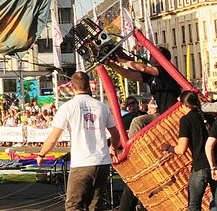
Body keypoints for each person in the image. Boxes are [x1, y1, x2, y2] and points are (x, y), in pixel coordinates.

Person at [36, 71, 121, 211]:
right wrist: (113, 148)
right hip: (102, 163)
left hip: (82, 163)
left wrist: (42, 154)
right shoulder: (102, 106)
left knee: (74, 205)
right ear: (89, 86)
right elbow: (115, 134)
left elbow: (53, 138)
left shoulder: (67, 107)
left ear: (72, 87)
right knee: (95, 206)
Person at [174, 91, 217, 211]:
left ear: (183, 104)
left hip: (200, 165)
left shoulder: (186, 120)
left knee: (194, 205)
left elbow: (181, 149)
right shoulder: (210, 117)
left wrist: (169, 148)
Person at [114, 46, 181, 114]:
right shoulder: (151, 75)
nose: (150, 55)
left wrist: (121, 60)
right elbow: (127, 74)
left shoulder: (165, 70)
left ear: (160, 58)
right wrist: (112, 64)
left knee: (138, 121)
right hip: (162, 113)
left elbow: (143, 68)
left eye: (153, 54)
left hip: (173, 112)